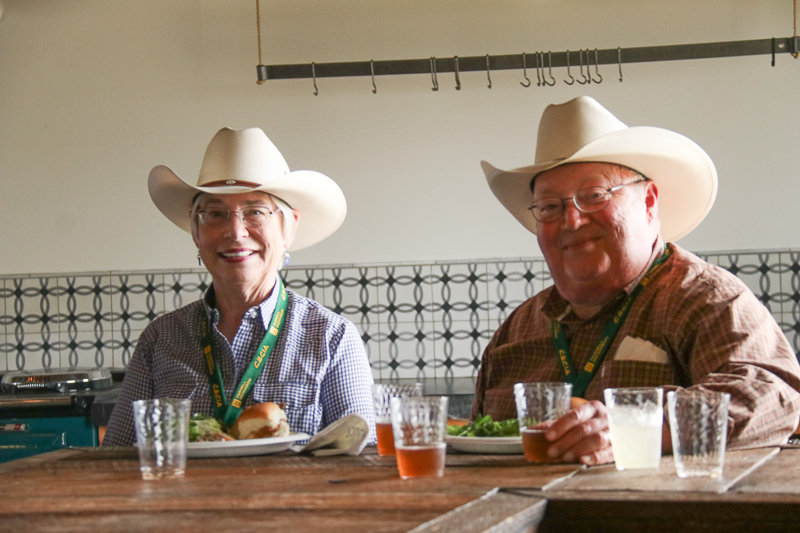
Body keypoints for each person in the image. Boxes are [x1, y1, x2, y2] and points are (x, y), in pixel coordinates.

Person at [472, 96, 800, 466]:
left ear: (649, 202)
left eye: (594, 196)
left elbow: (775, 395)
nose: (572, 221)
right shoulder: (516, 330)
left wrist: (633, 424)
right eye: (550, 206)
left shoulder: (706, 299)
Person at [104, 127, 376, 445]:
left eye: (255, 212)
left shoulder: (332, 338)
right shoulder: (160, 339)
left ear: (289, 229)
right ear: (196, 231)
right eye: (215, 213)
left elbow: (363, 463)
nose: (235, 231)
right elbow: (116, 457)